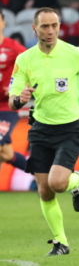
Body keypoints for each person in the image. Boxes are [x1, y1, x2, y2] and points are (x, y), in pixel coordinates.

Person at [8, 7, 79, 256]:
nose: (50, 31)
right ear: (34, 29)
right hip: (39, 128)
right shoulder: (25, 59)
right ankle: (61, 242)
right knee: (43, 189)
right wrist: (19, 100)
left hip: (68, 129)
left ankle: (77, 181)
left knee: (57, 184)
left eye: (54, 25)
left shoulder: (73, 54)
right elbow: (13, 98)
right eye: (45, 26)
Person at [0, 9, 27, 173]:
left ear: (3, 23)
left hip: (6, 108)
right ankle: (41, 173)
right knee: (6, 153)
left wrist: (16, 88)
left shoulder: (13, 48)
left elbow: (34, 68)